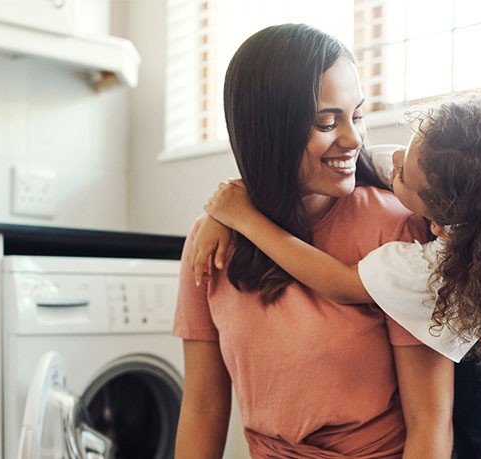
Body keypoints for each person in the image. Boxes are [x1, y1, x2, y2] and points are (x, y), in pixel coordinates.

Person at [191, 89, 481, 458]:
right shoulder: (444, 176)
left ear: (439, 221)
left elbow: (341, 283)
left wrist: (245, 220)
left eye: (402, 176)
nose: (394, 161)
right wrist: (230, 202)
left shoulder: (425, 266)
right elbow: (308, 160)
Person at [172, 24, 454, 459]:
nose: (354, 139)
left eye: (356, 115)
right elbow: (203, 407)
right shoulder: (213, 239)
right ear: (269, 131)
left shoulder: (396, 229)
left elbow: (430, 427)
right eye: (327, 121)